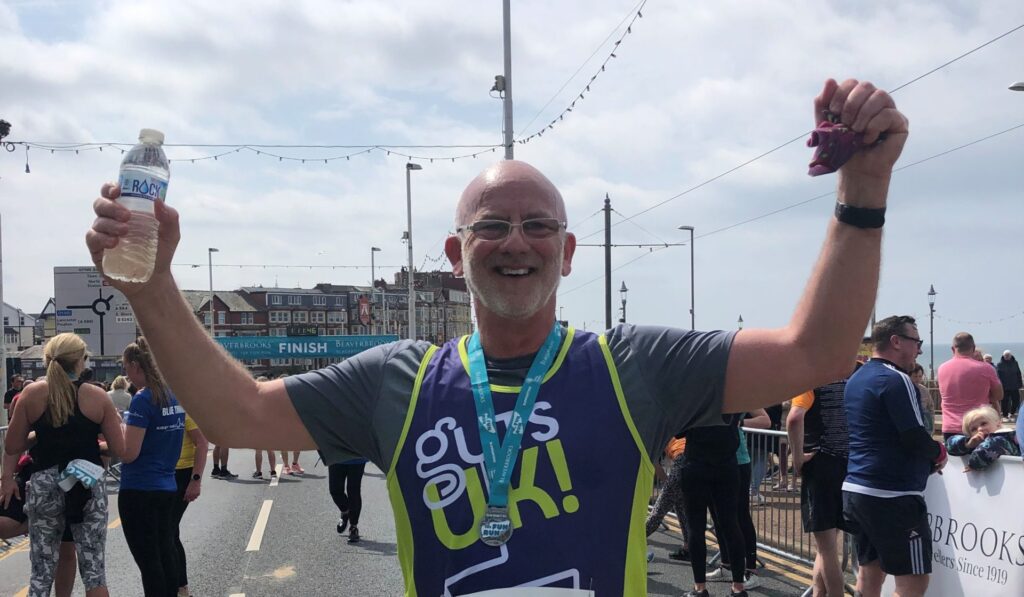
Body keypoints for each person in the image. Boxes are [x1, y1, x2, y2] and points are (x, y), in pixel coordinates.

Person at [86, 77, 908, 595]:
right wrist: (152, 287)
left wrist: (862, 189)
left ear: (567, 249)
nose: (517, 241)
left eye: (538, 224)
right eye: (492, 226)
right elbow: (237, 415)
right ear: (455, 254)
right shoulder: (393, 380)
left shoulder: (632, 368)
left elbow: (818, 351)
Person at [3, 333, 124, 597]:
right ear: (81, 361)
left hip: (45, 485)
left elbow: (12, 445)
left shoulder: (31, 394)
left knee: (41, 573)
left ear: (47, 360)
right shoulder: (96, 396)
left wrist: (37, 437)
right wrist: (96, 447)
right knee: (94, 572)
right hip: (87, 483)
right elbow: (119, 449)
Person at [843, 316, 947, 597]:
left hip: (857, 489)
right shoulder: (897, 379)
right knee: (913, 581)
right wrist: (938, 451)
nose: (919, 350)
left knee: (869, 574)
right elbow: (913, 435)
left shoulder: (856, 378)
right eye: (916, 341)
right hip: (892, 495)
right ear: (896, 341)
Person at [119, 337, 186, 597]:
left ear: (136, 365)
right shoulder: (173, 395)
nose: (126, 373)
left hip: (140, 488)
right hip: (167, 485)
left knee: (149, 562)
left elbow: (129, 453)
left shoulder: (143, 399)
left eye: (126, 367)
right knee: (166, 552)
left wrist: (107, 442)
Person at [1, 399, 82, 597]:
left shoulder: (85, 397)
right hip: (35, 474)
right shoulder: (32, 396)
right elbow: (13, 441)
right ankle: (35, 522)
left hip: (71, 479)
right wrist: (7, 478)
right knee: (43, 556)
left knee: (65, 549)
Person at [787, 375, 851, 597]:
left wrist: (796, 459)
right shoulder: (858, 371)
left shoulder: (812, 377)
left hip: (821, 466)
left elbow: (794, 418)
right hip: (850, 464)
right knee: (826, 548)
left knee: (827, 550)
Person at [677, 418, 748, 596]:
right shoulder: (731, 393)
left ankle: (700, 588)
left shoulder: (694, 395)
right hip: (727, 464)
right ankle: (738, 587)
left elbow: (678, 431)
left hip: (696, 462)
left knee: (696, 527)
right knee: (731, 525)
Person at [708, 410, 770, 589]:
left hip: (738, 461)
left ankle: (751, 570)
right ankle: (726, 565)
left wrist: (739, 424)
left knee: (740, 516)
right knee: (717, 515)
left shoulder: (742, 392)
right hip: (713, 461)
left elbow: (765, 420)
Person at [937, 333, 1002, 440]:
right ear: (973, 348)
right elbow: (999, 396)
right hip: (978, 427)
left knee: (954, 456)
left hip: (950, 427)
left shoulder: (942, 368)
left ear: (953, 349)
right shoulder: (986, 368)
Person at [173, 412, 208, 597]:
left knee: (169, 530)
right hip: (163, 473)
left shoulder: (183, 409)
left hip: (182, 473)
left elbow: (202, 443)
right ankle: (177, 587)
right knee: (167, 531)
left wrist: (196, 479)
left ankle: (181, 588)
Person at [945, 406, 1020, 471]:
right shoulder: (975, 441)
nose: (980, 429)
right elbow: (949, 444)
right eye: (973, 429)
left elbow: (991, 447)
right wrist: (967, 444)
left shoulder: (1004, 437)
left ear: (998, 423)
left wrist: (972, 464)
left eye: (984, 423)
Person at [329, 457, 368, 543]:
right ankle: (345, 511)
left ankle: (353, 527)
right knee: (335, 490)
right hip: (336, 455)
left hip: (357, 455)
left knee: (354, 491)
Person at [996, 350, 1022, 421]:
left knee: (1016, 400)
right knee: (1005, 402)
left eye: (1008, 355)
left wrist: (1020, 383)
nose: (1007, 356)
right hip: (1004, 386)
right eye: (1005, 355)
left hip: (1014, 385)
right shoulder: (999, 364)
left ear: (1011, 356)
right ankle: (1005, 415)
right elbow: (997, 376)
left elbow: (1018, 373)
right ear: (1003, 356)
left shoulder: (1015, 363)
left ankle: (1012, 413)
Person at [908, 364, 934, 434]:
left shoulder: (924, 390)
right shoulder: (905, 389)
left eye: (920, 376)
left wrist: (931, 423)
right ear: (909, 376)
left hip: (924, 424)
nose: (918, 379)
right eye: (915, 376)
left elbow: (930, 407)